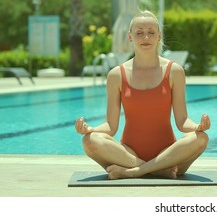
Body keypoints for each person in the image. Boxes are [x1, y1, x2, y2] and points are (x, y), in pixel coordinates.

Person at [75, 10, 210, 180]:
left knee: (201, 138)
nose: (145, 37)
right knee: (89, 141)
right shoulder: (116, 75)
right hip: (129, 155)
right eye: (139, 33)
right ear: (130, 36)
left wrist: (198, 127)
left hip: (167, 153)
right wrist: (91, 129)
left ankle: (134, 172)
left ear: (159, 36)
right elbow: (111, 126)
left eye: (151, 33)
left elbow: (182, 121)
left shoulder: (174, 71)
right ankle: (156, 170)